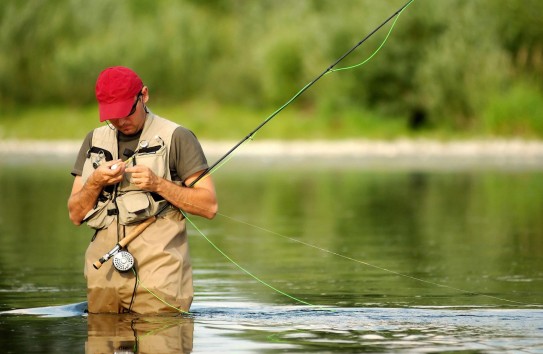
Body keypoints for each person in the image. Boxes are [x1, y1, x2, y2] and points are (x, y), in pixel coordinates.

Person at [68, 66, 218, 314]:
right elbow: (75, 215)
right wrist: (95, 181)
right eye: (112, 116)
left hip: (161, 281)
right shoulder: (92, 140)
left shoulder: (178, 137)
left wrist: (158, 184)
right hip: (102, 278)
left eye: (127, 112)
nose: (121, 122)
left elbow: (209, 206)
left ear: (144, 95)